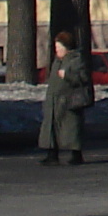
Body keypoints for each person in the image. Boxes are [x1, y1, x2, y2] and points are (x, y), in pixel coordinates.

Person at [41, 29, 95, 164]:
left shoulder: (76, 60)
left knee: (71, 128)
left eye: (59, 47)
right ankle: (52, 154)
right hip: (55, 101)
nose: (57, 50)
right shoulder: (57, 61)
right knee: (52, 128)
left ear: (67, 47)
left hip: (69, 101)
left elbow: (83, 78)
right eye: (56, 47)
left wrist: (67, 76)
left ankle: (76, 154)